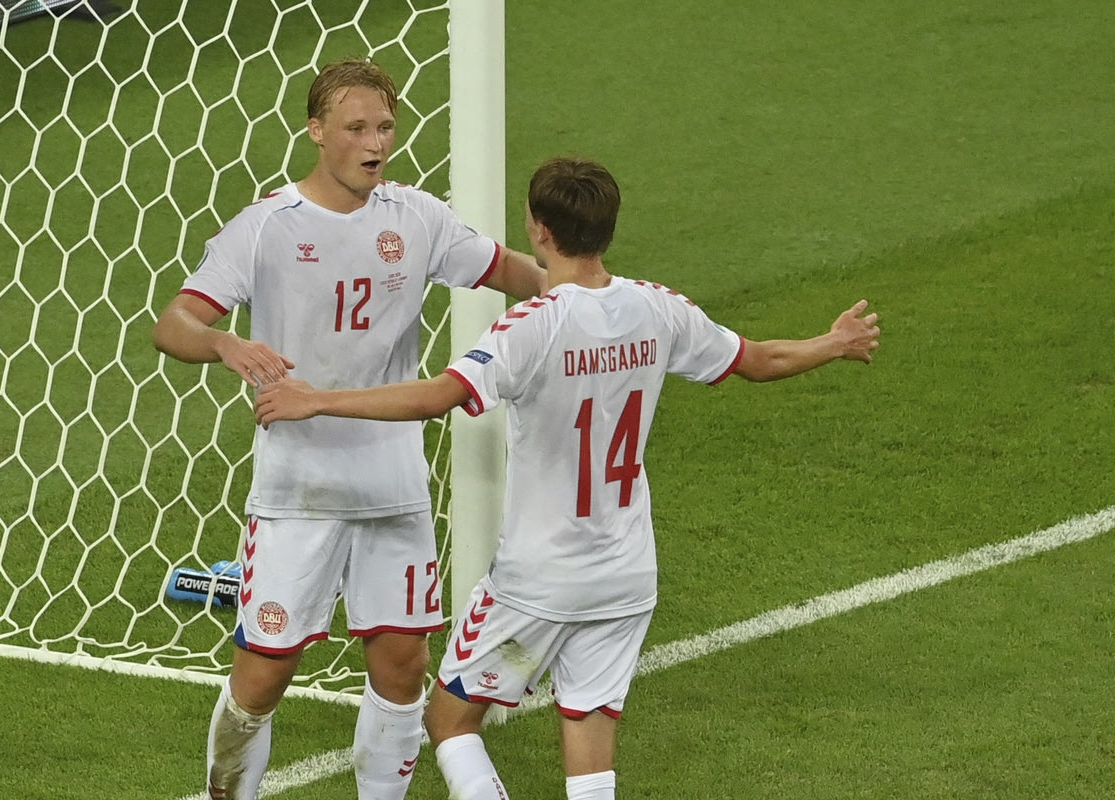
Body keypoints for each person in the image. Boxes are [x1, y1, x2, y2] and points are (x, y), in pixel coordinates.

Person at [252, 156, 881, 799]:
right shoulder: (658, 308)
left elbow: (438, 395)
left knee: (449, 721)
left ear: (540, 230)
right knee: (589, 739)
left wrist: (318, 400)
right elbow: (758, 358)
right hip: (625, 576)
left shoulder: (533, 325)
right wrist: (834, 343)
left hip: (538, 580)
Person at [151, 58, 547, 800]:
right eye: (357, 127)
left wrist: (582, 292)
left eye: (385, 127)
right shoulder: (266, 227)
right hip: (297, 488)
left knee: (403, 669)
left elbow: (508, 270)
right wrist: (225, 343)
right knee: (261, 678)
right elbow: (174, 324)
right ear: (316, 130)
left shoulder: (417, 218)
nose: (376, 142)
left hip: (391, 484)